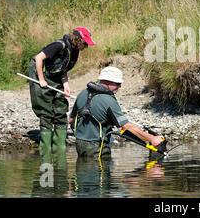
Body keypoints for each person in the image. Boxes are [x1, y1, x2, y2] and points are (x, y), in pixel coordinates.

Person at [69, 66, 164, 160]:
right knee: (100, 170)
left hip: (80, 144)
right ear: (107, 82)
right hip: (97, 147)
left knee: (84, 171)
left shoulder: (82, 93)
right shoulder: (109, 100)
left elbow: (71, 120)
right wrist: (152, 138)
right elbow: (126, 127)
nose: (120, 86)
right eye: (118, 83)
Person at [29, 27, 95, 157]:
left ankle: (60, 145)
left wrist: (65, 85)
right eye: (85, 43)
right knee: (46, 109)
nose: (86, 46)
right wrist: (41, 80)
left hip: (54, 76)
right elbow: (38, 58)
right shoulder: (58, 45)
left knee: (60, 107)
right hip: (40, 72)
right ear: (78, 40)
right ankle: (45, 147)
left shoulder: (74, 51)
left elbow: (63, 68)